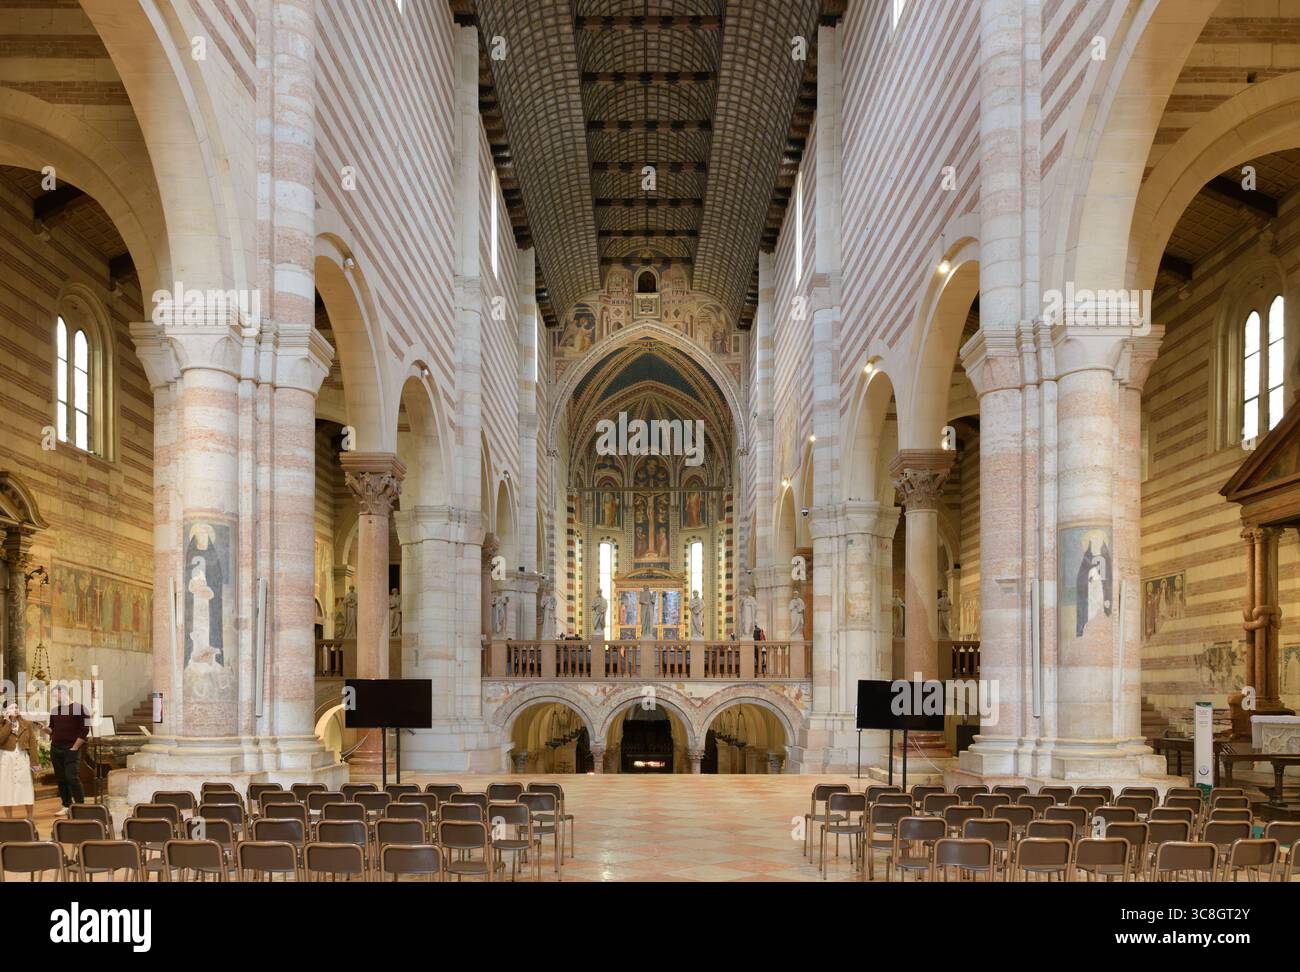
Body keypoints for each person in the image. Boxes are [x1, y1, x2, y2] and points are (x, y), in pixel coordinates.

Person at [47, 684, 89, 817]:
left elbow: (85, 730)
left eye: (56, 695)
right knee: (61, 779)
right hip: (56, 748)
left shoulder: (79, 708)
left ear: (64, 693)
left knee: (72, 777)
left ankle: (80, 805)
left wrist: (75, 747)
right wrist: (45, 729)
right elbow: (52, 729)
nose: (55, 698)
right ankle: (66, 805)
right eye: (53, 696)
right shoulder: (54, 711)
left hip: (71, 748)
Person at [0, 700, 40, 820]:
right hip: (6, 757)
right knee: (6, 788)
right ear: (5, 711)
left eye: (16, 707)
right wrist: (7, 723)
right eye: (12, 708)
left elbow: (32, 743)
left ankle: (30, 817)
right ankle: (9, 818)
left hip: (23, 757)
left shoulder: (26, 724)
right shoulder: (1, 723)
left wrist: (35, 763)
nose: (15, 710)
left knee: (26, 787)